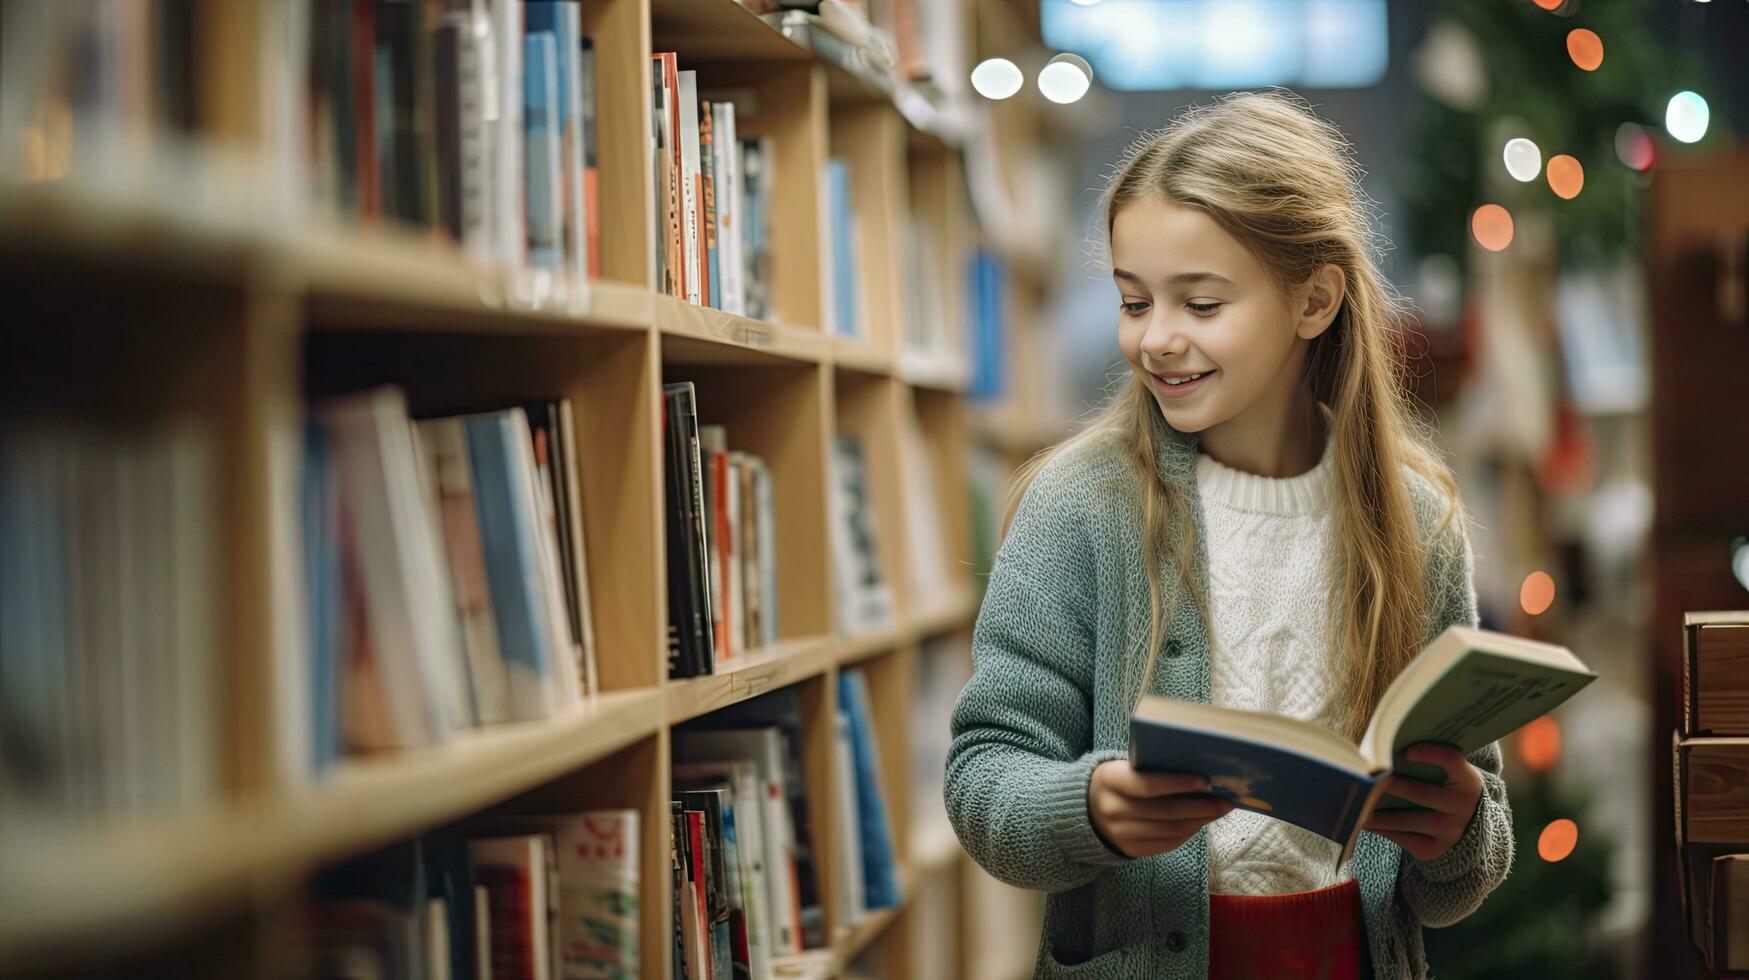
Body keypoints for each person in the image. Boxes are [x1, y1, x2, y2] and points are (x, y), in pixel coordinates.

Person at [943, 89, 1513, 979]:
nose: (1155, 340)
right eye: (1135, 303)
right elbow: (982, 778)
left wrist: (1460, 829)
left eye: (1200, 306)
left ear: (1314, 301)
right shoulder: (1078, 506)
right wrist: (1088, 806)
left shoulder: (1416, 522)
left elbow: (1457, 870)